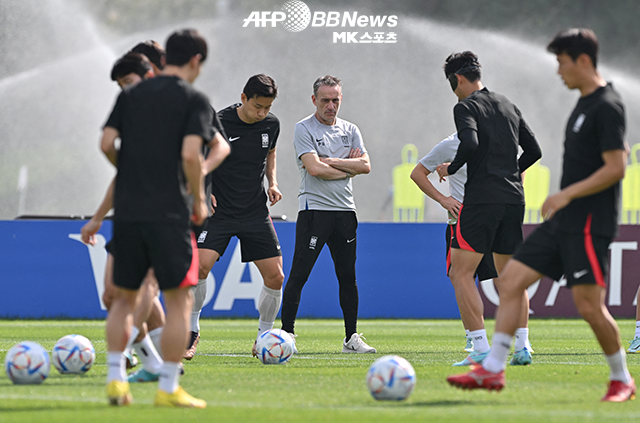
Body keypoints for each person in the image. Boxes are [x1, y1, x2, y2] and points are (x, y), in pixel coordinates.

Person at [447, 28, 635, 402]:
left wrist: (566, 193)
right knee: (511, 279)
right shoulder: (582, 104)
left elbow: (617, 166)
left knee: (588, 306)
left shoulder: (607, 105)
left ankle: (621, 378)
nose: (558, 71)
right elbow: (534, 151)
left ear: (583, 61)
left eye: (562, 63)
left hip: (587, 222)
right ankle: (493, 369)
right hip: (560, 217)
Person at [100, 28, 229, 408]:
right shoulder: (194, 100)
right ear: (195, 61)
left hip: (127, 211)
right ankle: (168, 387)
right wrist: (199, 199)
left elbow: (107, 143)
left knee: (123, 300)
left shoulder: (131, 94)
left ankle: (115, 380)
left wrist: (131, 172)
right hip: (169, 211)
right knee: (178, 301)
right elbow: (192, 155)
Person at [435, 52, 541, 366]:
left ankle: (480, 348)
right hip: (513, 199)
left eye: (451, 84)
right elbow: (534, 150)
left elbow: (469, 143)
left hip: (482, 200)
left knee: (460, 272)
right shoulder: (508, 104)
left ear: (458, 79)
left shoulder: (465, 106)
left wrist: (452, 168)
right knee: (510, 276)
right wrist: (511, 171)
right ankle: (522, 347)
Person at [411, 133, 534, 358]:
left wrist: (513, 191)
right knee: (464, 277)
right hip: (464, 221)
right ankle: (475, 338)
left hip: (492, 219)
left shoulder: (501, 138)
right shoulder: (450, 144)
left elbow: (520, 167)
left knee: (502, 278)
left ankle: (519, 342)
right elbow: (417, 173)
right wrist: (444, 199)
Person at [280, 75, 375, 354]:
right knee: (299, 274)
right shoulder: (303, 128)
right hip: (315, 212)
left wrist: (331, 161)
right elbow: (314, 169)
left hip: (345, 212)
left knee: (348, 277)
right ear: (314, 101)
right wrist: (349, 166)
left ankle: (351, 338)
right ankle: (287, 335)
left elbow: (366, 166)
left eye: (335, 100)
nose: (331, 106)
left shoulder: (351, 129)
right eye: (325, 100)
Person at [192, 74, 284, 359]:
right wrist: (204, 191)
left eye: (267, 107)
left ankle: (264, 337)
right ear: (243, 98)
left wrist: (273, 182)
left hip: (254, 211)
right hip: (219, 212)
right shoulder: (218, 122)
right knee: (199, 269)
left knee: (276, 277)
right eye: (257, 106)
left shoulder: (272, 124)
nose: (262, 113)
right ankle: (191, 330)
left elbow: (271, 151)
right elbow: (197, 158)